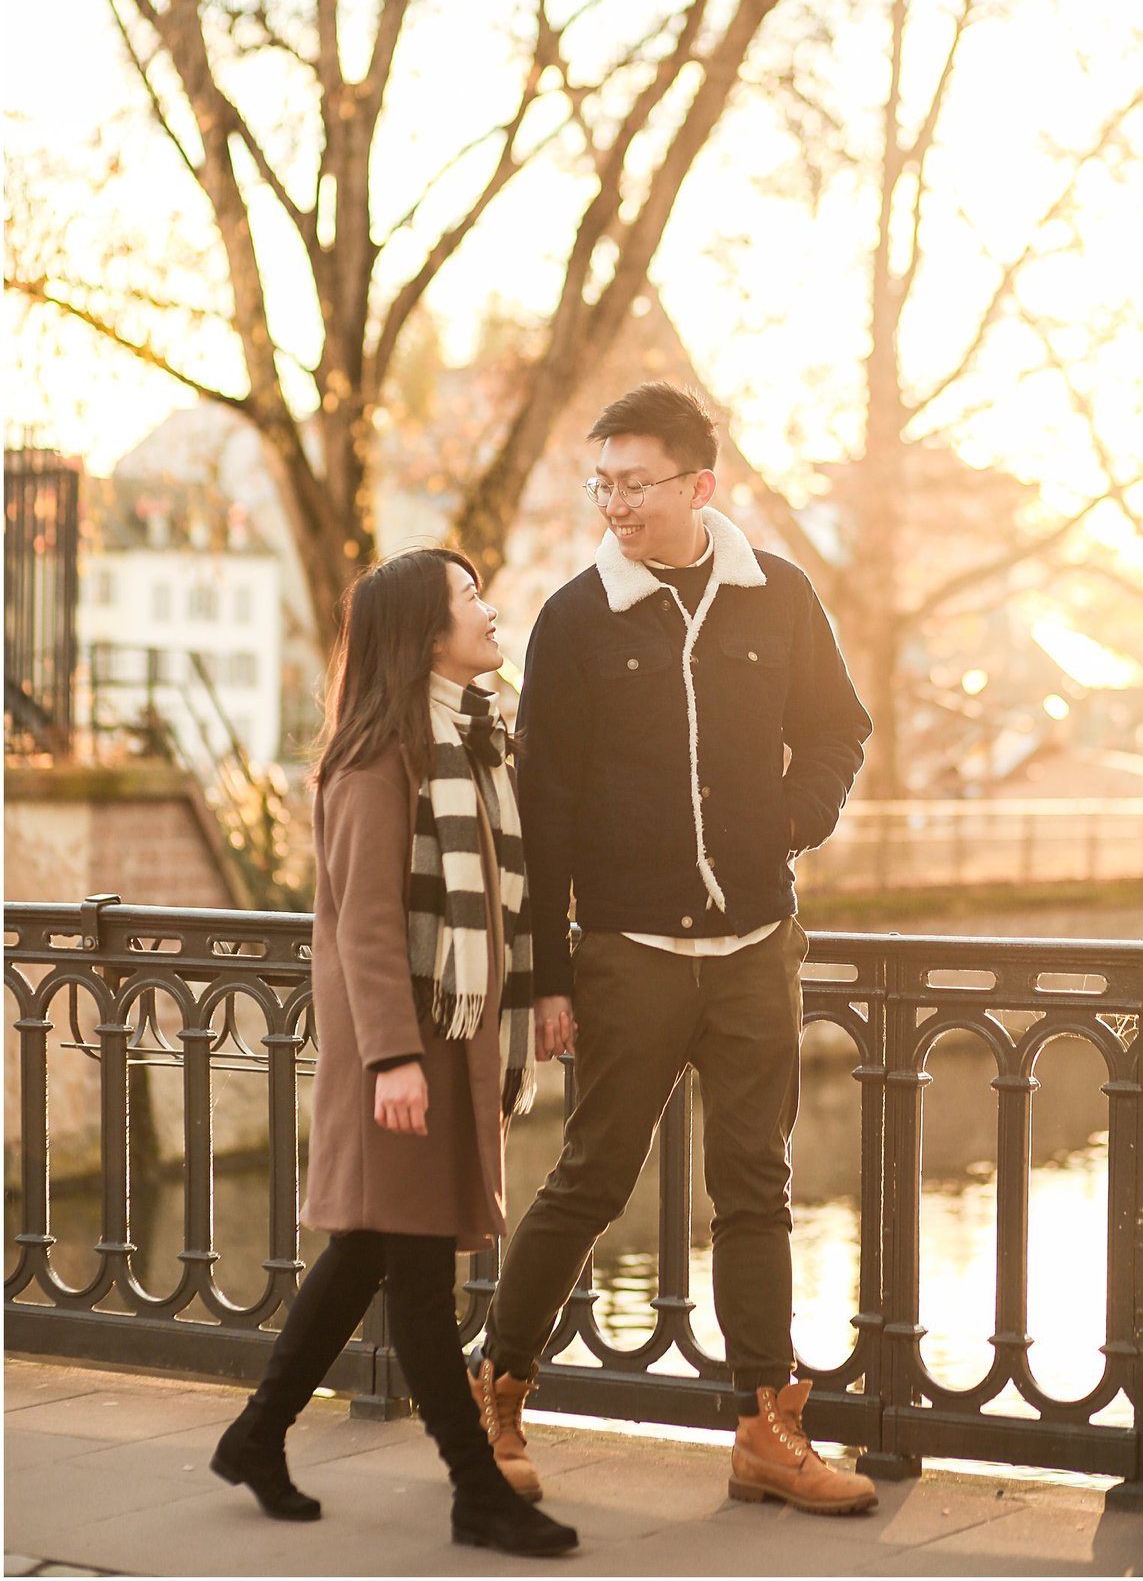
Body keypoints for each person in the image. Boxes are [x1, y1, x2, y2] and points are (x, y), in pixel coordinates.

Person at [468, 383, 878, 1517]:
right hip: (630, 951)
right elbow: (545, 808)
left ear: (702, 484)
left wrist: (791, 818)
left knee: (757, 1186)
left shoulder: (778, 595)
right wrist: (552, 972)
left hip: (756, 943)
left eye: (633, 482)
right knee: (591, 1176)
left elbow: (842, 724)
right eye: (600, 483)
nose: (614, 504)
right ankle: (496, 1393)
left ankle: (767, 1427)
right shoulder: (574, 619)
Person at [210, 549, 578, 1559]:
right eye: (470, 599)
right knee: (416, 1268)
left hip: (444, 1039)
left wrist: (544, 986)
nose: (490, 610)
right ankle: (475, 1489)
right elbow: (364, 926)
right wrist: (390, 1060)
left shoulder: (471, 741)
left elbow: (505, 895)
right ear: (425, 632)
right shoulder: (382, 756)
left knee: (371, 1244)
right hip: (406, 1047)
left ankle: (255, 1433)